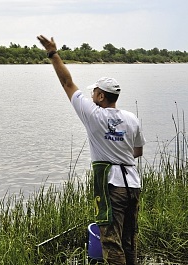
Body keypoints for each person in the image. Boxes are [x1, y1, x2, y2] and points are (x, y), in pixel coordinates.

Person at [37, 35, 146, 265]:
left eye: (94, 92)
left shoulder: (93, 116)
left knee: (111, 241)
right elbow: (137, 152)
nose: (91, 95)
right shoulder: (132, 118)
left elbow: (67, 83)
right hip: (133, 185)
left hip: (112, 186)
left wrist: (52, 53)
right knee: (129, 240)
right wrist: (119, 150)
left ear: (101, 96)